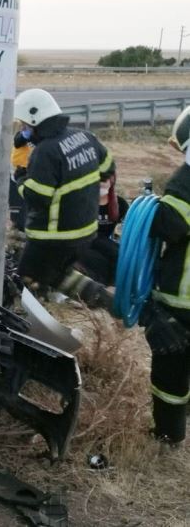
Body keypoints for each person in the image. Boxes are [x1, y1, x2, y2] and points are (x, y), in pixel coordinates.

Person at [14, 88, 115, 305]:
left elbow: (37, 197)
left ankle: (36, 315)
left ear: (35, 120)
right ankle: (107, 301)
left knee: (29, 274)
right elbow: (108, 167)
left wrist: (21, 178)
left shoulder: (45, 152)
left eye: (25, 125)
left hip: (54, 235)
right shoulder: (85, 137)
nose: (23, 130)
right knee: (58, 273)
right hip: (85, 231)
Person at [142, 105, 190, 445]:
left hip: (182, 300)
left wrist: (142, 211)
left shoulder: (186, 184)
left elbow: (171, 226)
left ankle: (168, 434)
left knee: (170, 373)